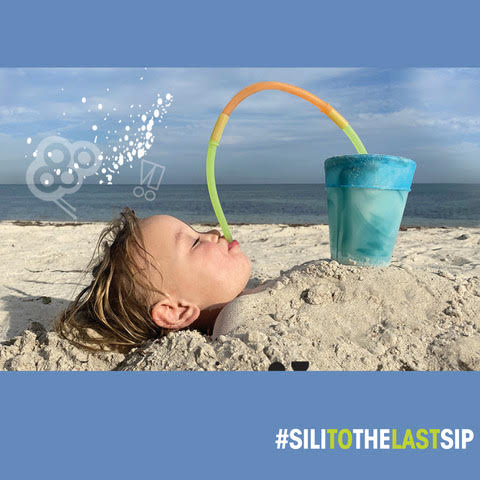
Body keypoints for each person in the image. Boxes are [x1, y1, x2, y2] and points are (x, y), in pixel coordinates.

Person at [53, 206, 256, 353]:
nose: (213, 232)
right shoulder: (236, 322)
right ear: (174, 311)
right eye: (195, 242)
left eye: (197, 232)